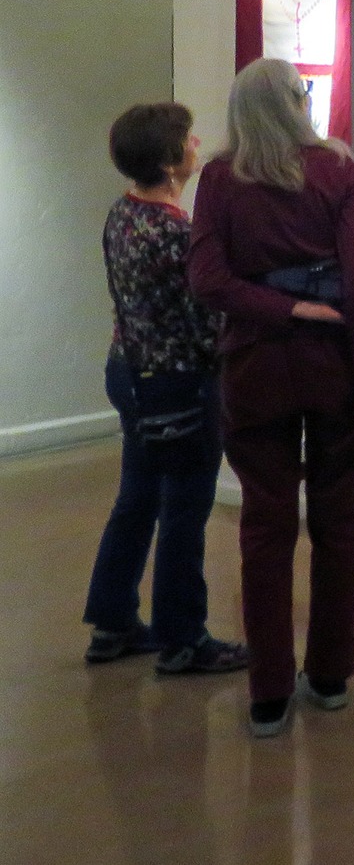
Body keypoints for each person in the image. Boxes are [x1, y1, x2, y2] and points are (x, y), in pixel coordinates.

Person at [187, 58, 354, 738]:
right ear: (299, 102)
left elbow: (208, 280)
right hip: (335, 363)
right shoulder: (340, 172)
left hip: (256, 368)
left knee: (265, 528)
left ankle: (269, 693)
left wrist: (278, 308)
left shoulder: (220, 178)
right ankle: (329, 676)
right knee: (339, 524)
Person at [83, 103, 249, 676]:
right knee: (184, 507)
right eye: (187, 138)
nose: (196, 143)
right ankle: (183, 638)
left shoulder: (121, 214)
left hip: (128, 370)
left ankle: (113, 621)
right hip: (178, 382)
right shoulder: (178, 232)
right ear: (169, 159)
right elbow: (204, 319)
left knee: (137, 496)